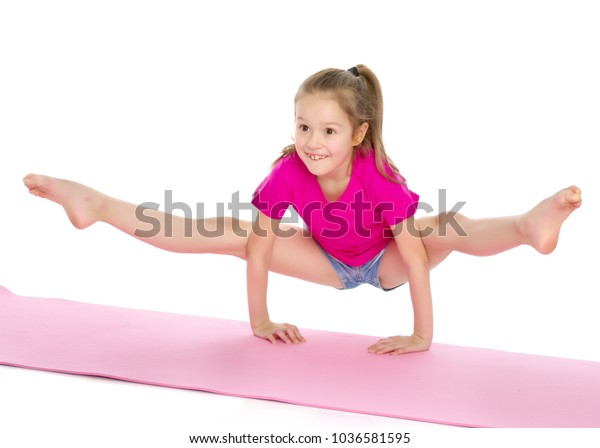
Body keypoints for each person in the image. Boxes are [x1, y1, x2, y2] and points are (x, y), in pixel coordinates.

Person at [22, 64, 582, 356]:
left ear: (359, 132)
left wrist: (421, 337)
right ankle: (98, 204)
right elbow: (260, 246)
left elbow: (412, 262)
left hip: (385, 261)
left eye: (330, 130)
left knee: (440, 228)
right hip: (326, 262)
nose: (314, 141)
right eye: (304, 126)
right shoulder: (288, 172)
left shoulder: (381, 178)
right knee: (233, 231)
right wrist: (259, 321)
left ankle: (526, 226)